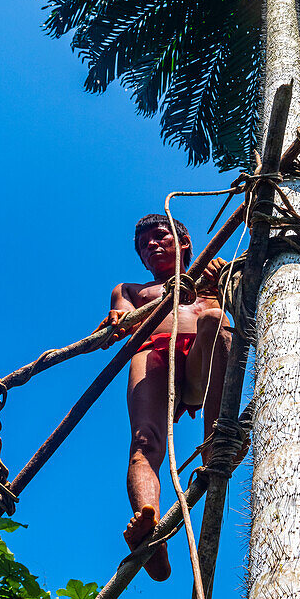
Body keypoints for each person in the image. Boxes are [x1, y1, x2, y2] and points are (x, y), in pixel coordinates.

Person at [97, 215, 231, 580]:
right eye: (145, 245)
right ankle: (149, 529)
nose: (153, 245)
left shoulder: (211, 274)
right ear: (141, 259)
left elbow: (249, 298)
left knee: (216, 321)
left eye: (161, 237)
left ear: (184, 242)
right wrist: (116, 321)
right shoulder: (132, 290)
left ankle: (215, 441)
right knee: (144, 442)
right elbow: (122, 319)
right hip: (154, 356)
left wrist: (224, 279)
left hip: (202, 364)